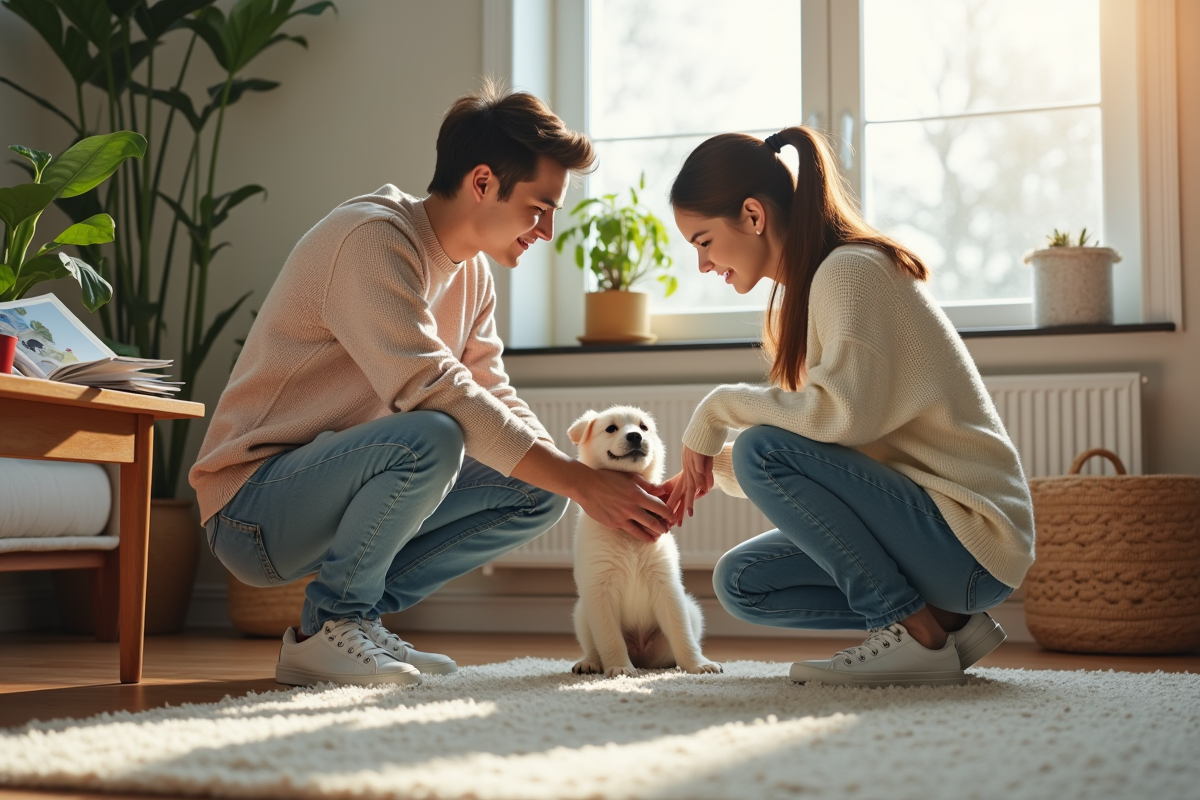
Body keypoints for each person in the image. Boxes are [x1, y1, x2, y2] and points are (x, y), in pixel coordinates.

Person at [189, 85, 672, 688]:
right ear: (482, 182)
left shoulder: (474, 276)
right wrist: (579, 480)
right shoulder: (371, 239)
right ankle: (326, 630)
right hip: (252, 508)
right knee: (435, 434)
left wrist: (585, 481)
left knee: (538, 490)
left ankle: (354, 620)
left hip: (337, 485)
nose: (547, 230)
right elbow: (436, 389)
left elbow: (492, 392)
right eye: (539, 207)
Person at [664, 127, 1034, 687]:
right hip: (939, 541)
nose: (702, 264)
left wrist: (718, 410)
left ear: (752, 215)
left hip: (972, 538)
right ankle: (945, 623)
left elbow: (839, 415)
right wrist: (708, 472)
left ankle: (911, 633)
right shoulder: (816, 285)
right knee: (742, 581)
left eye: (703, 241)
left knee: (761, 448)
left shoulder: (848, 271)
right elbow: (836, 442)